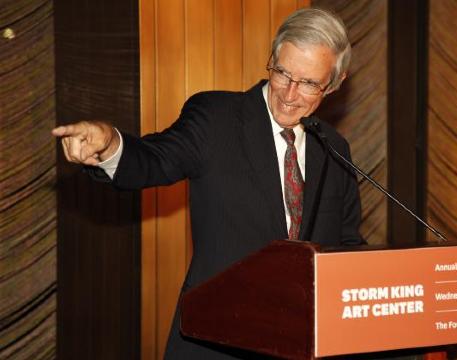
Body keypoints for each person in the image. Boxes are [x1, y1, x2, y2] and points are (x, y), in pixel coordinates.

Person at [53, 8, 364, 359]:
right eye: (283, 73)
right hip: (217, 340)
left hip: (304, 345)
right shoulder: (216, 118)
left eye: (308, 83)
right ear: (271, 59)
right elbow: (154, 160)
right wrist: (111, 144)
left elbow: (347, 246)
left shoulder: (335, 149)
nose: (290, 94)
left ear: (334, 84)